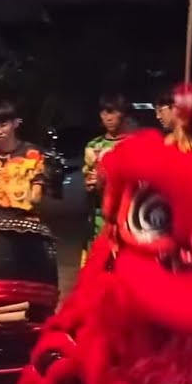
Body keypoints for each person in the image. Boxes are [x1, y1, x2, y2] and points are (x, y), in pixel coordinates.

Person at [81, 94, 129, 265]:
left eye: (113, 112)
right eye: (104, 113)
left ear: (122, 114)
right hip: (99, 217)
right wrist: (90, 184)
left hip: (126, 217)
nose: (108, 117)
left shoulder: (132, 144)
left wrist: (107, 180)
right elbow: (87, 178)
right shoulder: (93, 146)